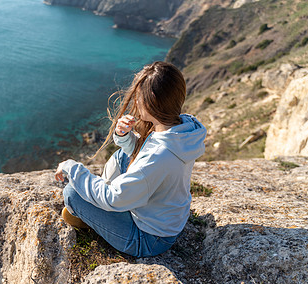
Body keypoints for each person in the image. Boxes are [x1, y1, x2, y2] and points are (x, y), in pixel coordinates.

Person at [55, 61, 207, 258]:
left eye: (138, 97)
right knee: (122, 155)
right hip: (165, 220)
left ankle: (93, 218)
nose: (135, 102)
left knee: (72, 193)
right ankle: (100, 210)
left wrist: (71, 167)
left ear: (152, 99)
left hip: (148, 239)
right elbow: (144, 157)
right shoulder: (182, 129)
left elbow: (114, 197)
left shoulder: (159, 156)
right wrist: (124, 136)